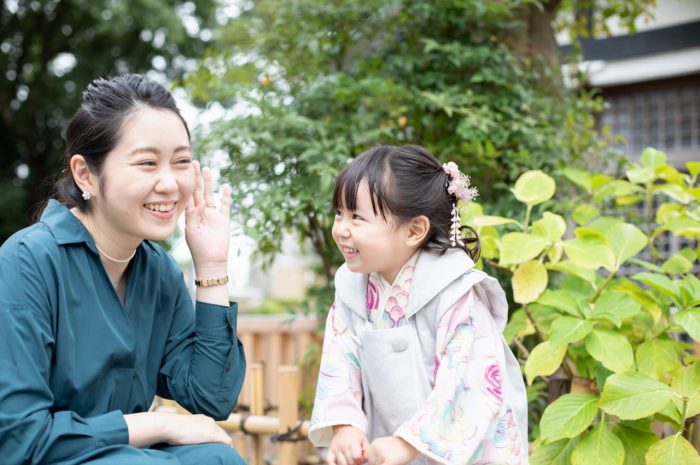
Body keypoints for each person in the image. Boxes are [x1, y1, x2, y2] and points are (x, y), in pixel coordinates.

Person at [0, 74, 246, 465]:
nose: (169, 183)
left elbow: (210, 398)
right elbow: (18, 438)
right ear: (85, 175)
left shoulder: (158, 270)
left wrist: (212, 265)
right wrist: (158, 426)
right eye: (147, 163)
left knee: (217, 458)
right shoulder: (27, 262)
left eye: (181, 162)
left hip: (124, 456)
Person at [308, 145, 529, 465]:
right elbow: (340, 363)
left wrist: (410, 441)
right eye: (339, 213)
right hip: (389, 443)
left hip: (458, 451)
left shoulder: (454, 292)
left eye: (357, 217)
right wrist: (346, 425)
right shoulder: (352, 291)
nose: (341, 229)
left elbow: (469, 380)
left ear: (414, 230)